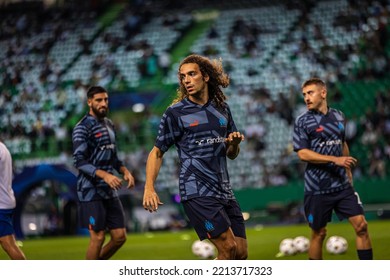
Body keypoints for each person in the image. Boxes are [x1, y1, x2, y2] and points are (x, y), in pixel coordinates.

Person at [142, 54, 248, 260]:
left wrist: (233, 145)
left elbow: (232, 155)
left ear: (206, 76)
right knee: (228, 248)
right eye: (183, 77)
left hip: (224, 190)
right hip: (196, 190)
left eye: (192, 74)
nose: (186, 80)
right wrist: (149, 187)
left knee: (241, 254)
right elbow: (157, 152)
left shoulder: (223, 109)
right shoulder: (175, 113)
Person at [293, 77, 373, 260]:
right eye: (304, 94)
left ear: (323, 93)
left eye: (310, 93)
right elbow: (303, 154)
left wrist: (347, 170)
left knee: (361, 226)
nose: (306, 97)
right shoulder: (302, 121)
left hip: (342, 186)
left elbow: (342, 142)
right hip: (317, 189)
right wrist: (334, 159)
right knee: (318, 234)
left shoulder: (338, 116)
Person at [72, 86, 135, 260]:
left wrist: (124, 171)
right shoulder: (82, 128)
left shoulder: (109, 124)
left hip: (108, 190)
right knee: (98, 237)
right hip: (90, 190)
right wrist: (105, 175)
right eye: (99, 100)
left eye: (105, 99)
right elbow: (79, 161)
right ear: (89, 102)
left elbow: (114, 157)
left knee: (120, 237)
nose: (103, 103)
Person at [0, 140, 26, 260]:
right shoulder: (3, 148)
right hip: (4, 201)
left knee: (7, 243)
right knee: (8, 243)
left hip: (1, 204)